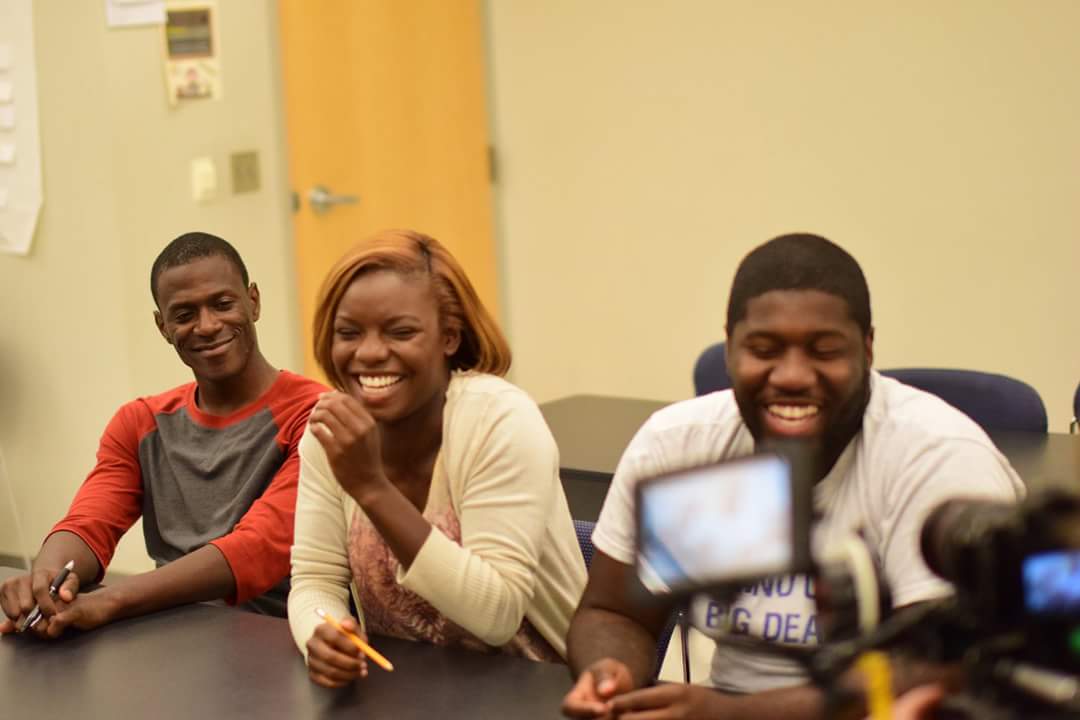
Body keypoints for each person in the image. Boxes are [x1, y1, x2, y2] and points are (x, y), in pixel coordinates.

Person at [562, 233, 1024, 718]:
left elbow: (936, 667)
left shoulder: (936, 457)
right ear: (730, 349)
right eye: (764, 349)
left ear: (867, 350)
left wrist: (733, 716)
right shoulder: (683, 446)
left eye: (824, 351)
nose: (792, 375)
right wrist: (609, 674)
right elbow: (616, 612)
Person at [287, 229, 587, 688]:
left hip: (540, 690)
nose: (368, 353)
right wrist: (321, 632)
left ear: (449, 337)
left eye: (400, 332)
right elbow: (315, 577)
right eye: (349, 333)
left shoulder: (498, 420)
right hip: (406, 693)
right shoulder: (330, 430)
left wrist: (371, 488)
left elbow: (498, 613)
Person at [0, 232, 325, 637]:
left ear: (253, 301)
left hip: (280, 638)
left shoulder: (316, 415)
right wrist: (47, 580)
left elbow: (254, 550)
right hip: (171, 634)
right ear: (162, 326)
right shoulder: (140, 422)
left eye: (222, 304)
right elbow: (88, 524)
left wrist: (109, 600)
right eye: (185, 314)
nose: (207, 325)